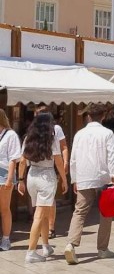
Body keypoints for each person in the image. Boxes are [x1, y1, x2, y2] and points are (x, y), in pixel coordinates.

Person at [63, 103, 114, 265]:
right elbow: (112, 157)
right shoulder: (107, 133)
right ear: (103, 116)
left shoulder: (79, 134)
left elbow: (73, 158)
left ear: (88, 116)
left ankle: (70, 244)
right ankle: (102, 249)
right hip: (104, 177)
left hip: (84, 176)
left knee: (79, 211)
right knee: (106, 212)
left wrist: (74, 179)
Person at [18, 113, 67, 263]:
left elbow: (21, 161)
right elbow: (58, 161)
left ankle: (46, 246)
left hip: (32, 176)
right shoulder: (51, 139)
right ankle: (31, 252)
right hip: (47, 177)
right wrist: (64, 179)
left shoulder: (28, 138)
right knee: (39, 216)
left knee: (43, 213)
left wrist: (21, 180)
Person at [35, 103, 67, 240]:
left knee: (50, 197)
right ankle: (41, 224)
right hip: (37, 167)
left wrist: (66, 163)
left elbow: (63, 146)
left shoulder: (56, 128)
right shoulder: (34, 129)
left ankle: (51, 226)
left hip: (52, 165)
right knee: (40, 199)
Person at [0, 110, 22, 251]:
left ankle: (6, 239)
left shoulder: (11, 135)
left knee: (4, 208)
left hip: (4, 174)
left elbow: (14, 158)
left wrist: (9, 179)